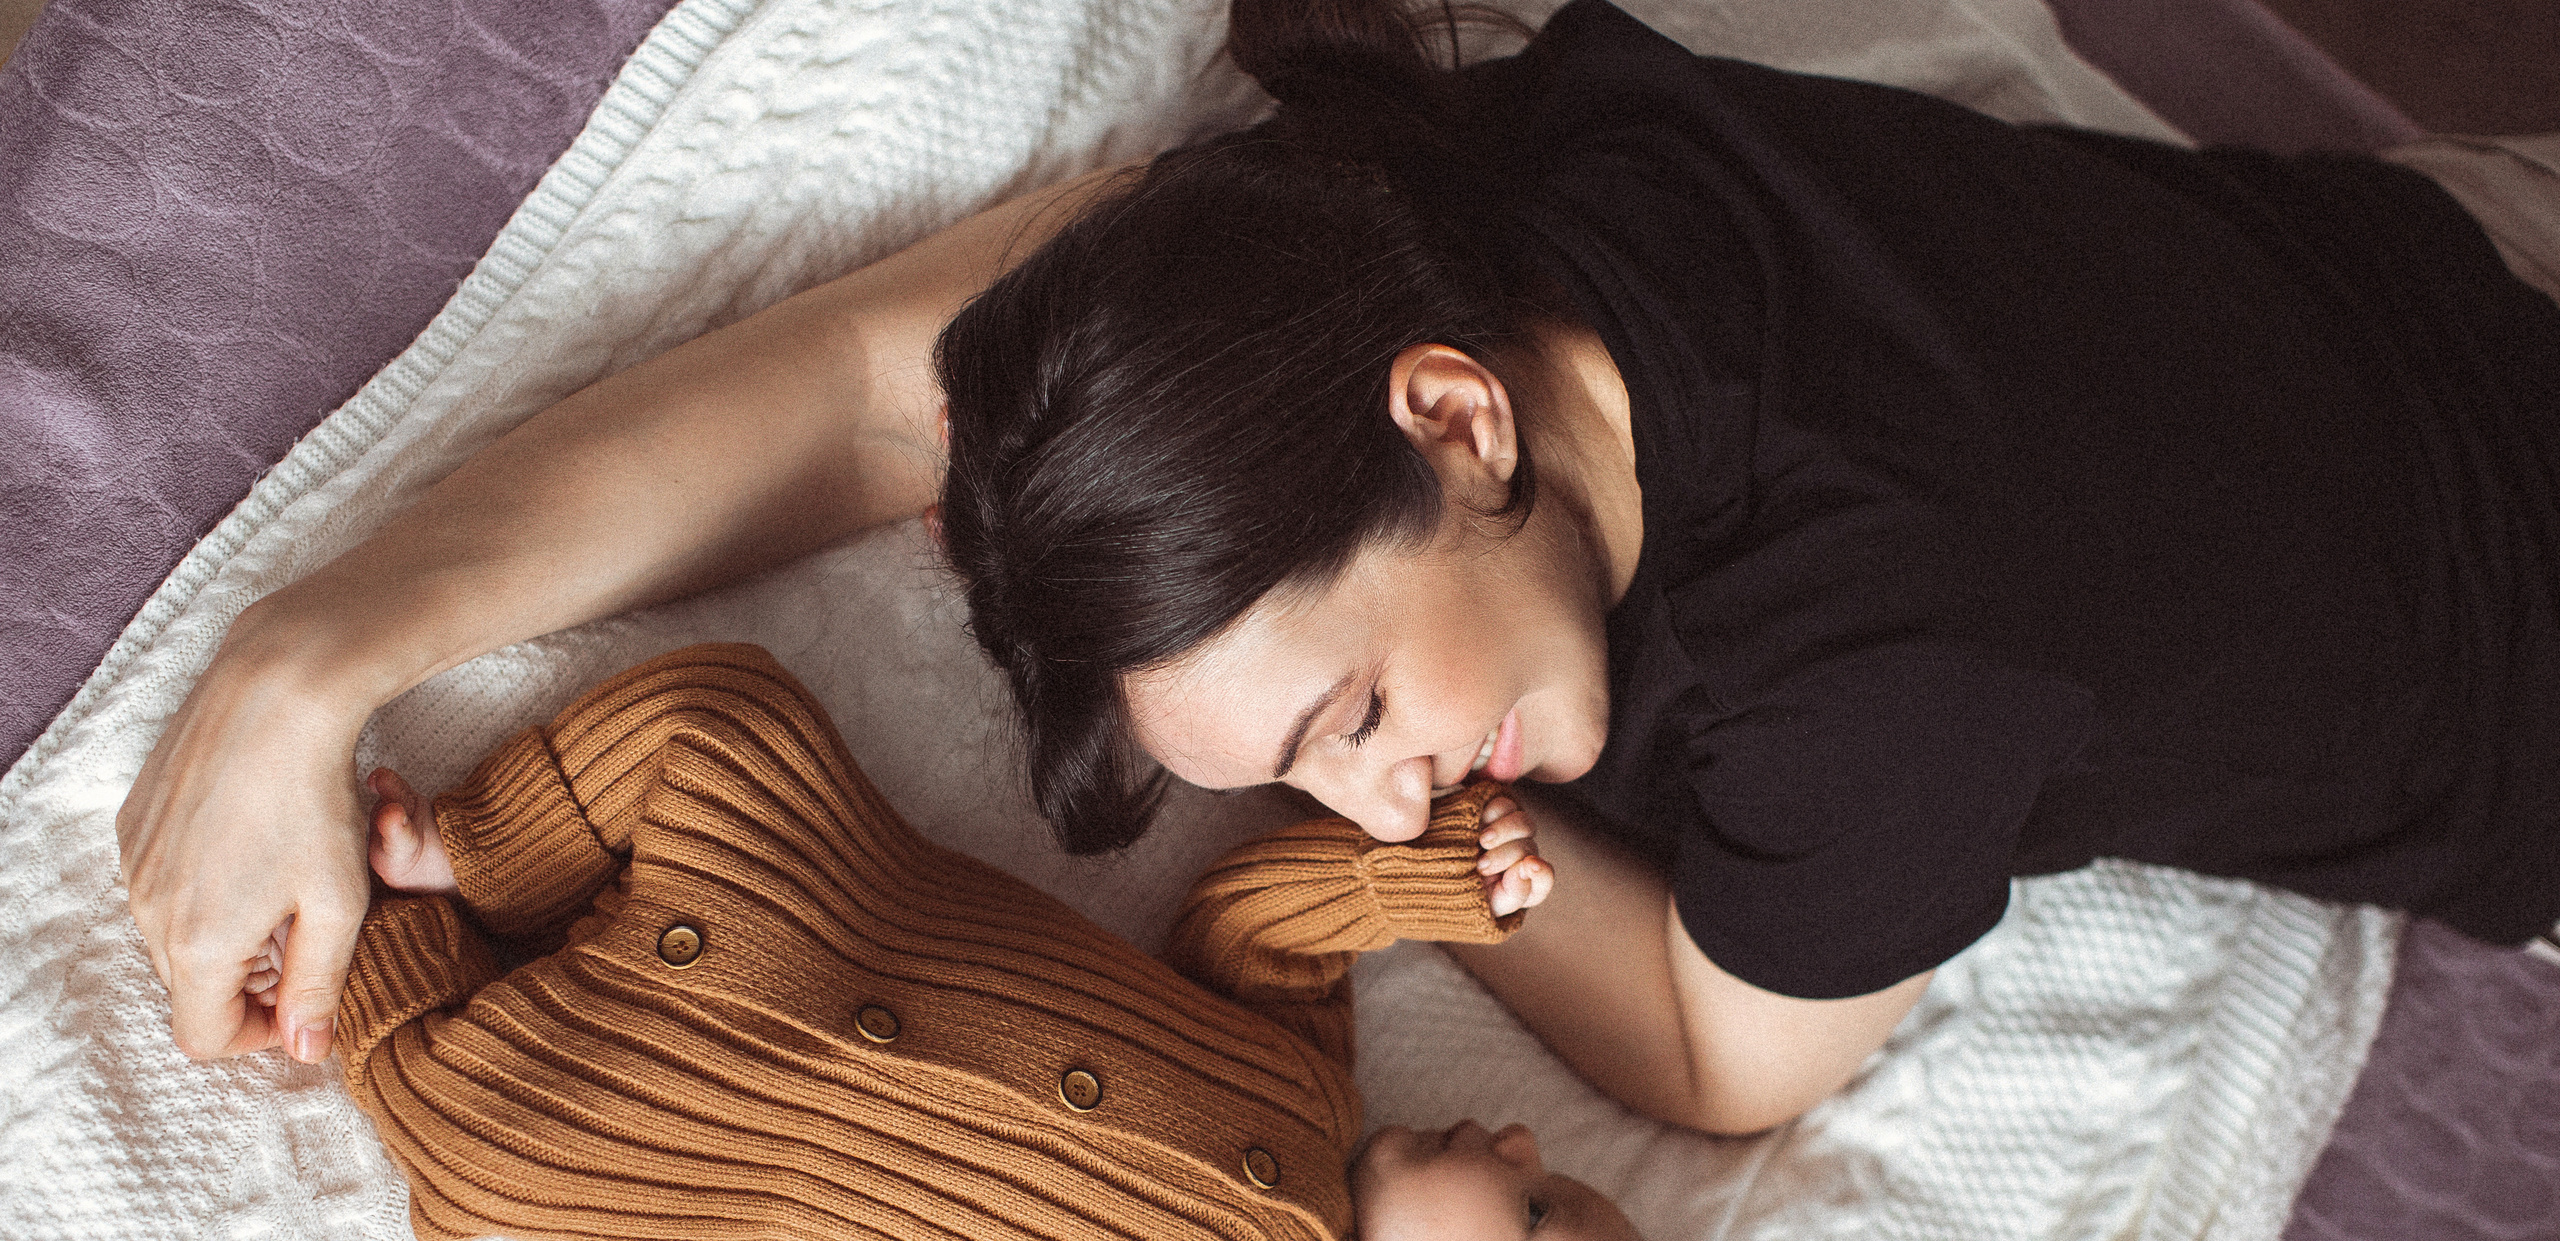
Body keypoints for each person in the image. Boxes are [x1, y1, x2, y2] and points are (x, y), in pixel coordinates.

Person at [121, 0, 2560, 1137]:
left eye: (1346, 724)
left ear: (1451, 419)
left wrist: (1450, 894)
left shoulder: (1881, 642)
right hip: (2433, 271)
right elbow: (891, 390)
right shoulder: (1419, 216)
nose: (1382, 806)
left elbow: (1727, 1053)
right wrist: (297, 665)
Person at [323, 641, 1674, 1241]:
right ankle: (485, 852)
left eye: (1535, 1208)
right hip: (825, 893)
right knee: (728, 716)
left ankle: (384, 945)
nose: (1511, 1139)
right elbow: (1249, 921)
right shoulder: (1312, 1083)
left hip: (701, 1122)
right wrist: (1416, 881)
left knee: (474, 1148)